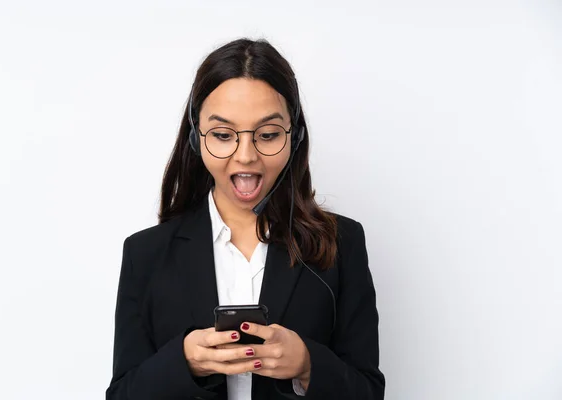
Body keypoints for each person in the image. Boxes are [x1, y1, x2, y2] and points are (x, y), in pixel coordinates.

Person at [105, 38, 385, 400]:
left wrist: (308, 365)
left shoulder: (342, 243)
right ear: (196, 137)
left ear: (294, 136)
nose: (246, 156)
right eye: (223, 135)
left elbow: (368, 392)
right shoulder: (146, 254)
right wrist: (184, 361)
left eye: (268, 135)